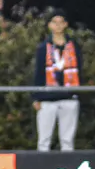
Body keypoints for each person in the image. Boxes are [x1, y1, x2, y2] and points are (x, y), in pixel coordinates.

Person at [32, 10, 82, 152]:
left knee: (67, 141)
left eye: (61, 22)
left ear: (66, 24)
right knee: (44, 141)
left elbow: (80, 70)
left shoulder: (74, 46)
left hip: (69, 97)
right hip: (47, 98)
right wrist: (36, 97)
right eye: (55, 22)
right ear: (49, 25)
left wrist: (78, 93)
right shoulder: (43, 47)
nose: (58, 25)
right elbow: (38, 72)